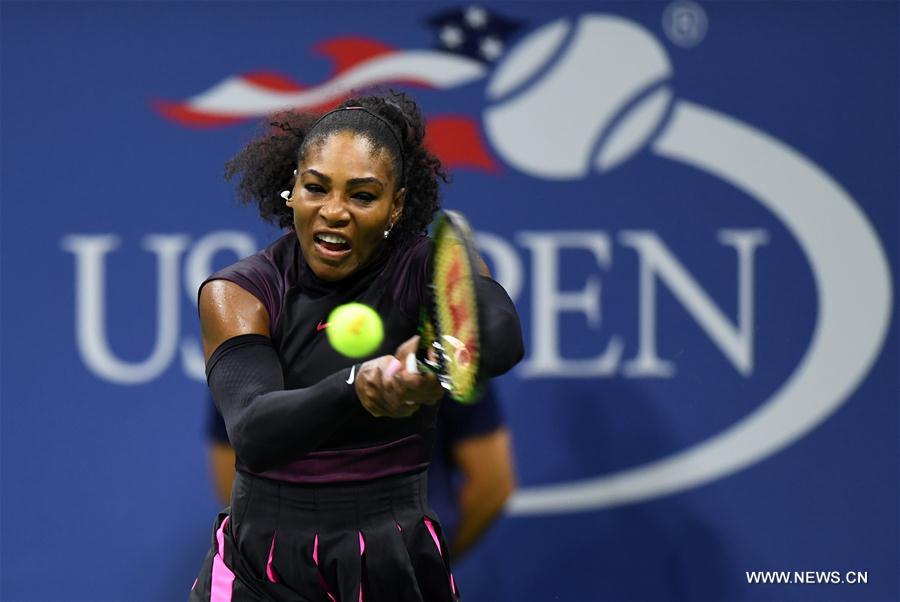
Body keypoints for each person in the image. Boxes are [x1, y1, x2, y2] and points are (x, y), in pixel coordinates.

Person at [189, 91, 523, 602]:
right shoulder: (238, 293)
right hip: (262, 570)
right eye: (315, 188)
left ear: (397, 205)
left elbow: (501, 336)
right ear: (291, 192)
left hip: (397, 562)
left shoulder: (427, 271)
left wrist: (439, 362)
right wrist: (358, 388)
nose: (334, 212)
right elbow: (252, 430)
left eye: (362, 195)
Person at [205, 384, 516, 559]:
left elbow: (492, 483)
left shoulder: (437, 345)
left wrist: (421, 563)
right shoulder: (256, 338)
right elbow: (237, 481)